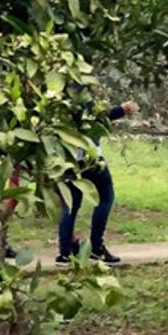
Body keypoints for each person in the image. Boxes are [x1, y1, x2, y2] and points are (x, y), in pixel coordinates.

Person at [57, 96, 139, 265]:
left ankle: (64, 253)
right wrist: (121, 110)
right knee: (106, 196)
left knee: (70, 205)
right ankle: (97, 248)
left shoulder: (57, 94)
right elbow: (97, 117)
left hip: (66, 157)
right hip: (89, 156)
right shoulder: (82, 90)